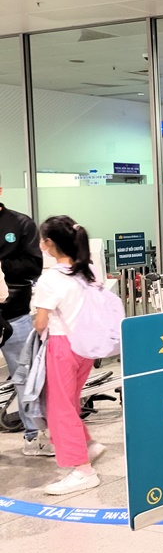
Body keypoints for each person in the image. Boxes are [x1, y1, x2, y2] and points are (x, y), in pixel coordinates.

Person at [34, 216, 104, 495]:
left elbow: (41, 322)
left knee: (60, 408)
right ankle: (86, 445)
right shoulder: (89, 271)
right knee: (70, 401)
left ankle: (82, 469)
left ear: (49, 244)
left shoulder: (51, 278)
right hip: (86, 345)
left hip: (63, 346)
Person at [0, 181, 47, 456]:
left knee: (25, 376)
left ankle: (34, 436)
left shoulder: (20, 223)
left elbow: (33, 265)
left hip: (13, 313)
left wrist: (2, 265)